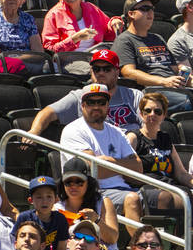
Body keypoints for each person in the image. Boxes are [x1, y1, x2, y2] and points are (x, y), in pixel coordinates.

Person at [113, 0, 193, 110]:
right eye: (145, 9)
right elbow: (128, 73)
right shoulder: (124, 40)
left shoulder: (157, 38)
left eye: (152, 9)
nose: (150, 13)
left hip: (175, 89)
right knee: (189, 104)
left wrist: (191, 81)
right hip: (152, 91)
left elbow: (174, 69)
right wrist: (163, 82)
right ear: (131, 14)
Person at [59, 83, 144, 212]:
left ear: (107, 106)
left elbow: (138, 169)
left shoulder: (117, 131)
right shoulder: (73, 130)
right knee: (132, 199)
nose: (96, 106)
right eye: (91, 102)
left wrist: (108, 162)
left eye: (101, 102)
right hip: (95, 192)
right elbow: (93, 170)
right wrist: (124, 167)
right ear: (83, 106)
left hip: (126, 189)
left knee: (168, 197)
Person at [122, 93, 193, 229]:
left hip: (169, 185)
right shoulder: (133, 138)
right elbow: (126, 172)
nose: (152, 114)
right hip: (146, 187)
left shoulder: (165, 139)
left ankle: (187, 239)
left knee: (192, 196)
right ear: (141, 114)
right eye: (148, 111)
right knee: (167, 197)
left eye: (158, 111)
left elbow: (181, 173)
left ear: (164, 115)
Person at [29, 49, 143, 135]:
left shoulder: (134, 95)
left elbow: (149, 123)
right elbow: (47, 113)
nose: (101, 73)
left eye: (107, 69)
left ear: (117, 72)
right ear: (91, 71)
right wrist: (34, 132)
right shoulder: (80, 96)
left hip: (133, 148)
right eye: (96, 69)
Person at [41, 0, 124, 53]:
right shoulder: (53, 15)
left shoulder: (91, 9)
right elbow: (49, 49)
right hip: (69, 60)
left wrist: (115, 23)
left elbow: (109, 35)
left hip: (95, 57)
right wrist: (75, 38)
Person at [54, 157, 120, 250]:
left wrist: (96, 220)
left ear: (88, 183)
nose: (74, 186)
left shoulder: (103, 202)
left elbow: (112, 238)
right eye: (68, 182)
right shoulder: (57, 208)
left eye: (79, 182)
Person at [13, 175, 69, 250]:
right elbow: (17, 245)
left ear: (56, 199)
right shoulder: (24, 218)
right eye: (39, 197)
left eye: (49, 196)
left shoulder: (60, 219)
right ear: (31, 200)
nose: (44, 201)